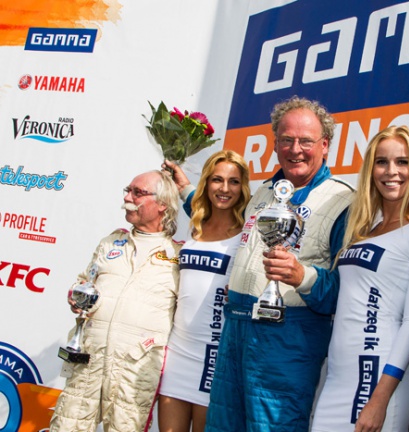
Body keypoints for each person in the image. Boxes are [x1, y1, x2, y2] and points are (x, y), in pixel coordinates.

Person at [165, 96, 355, 431]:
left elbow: (348, 290)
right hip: (234, 331)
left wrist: (303, 276)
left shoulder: (344, 201)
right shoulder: (265, 191)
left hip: (287, 337)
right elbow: (217, 216)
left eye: (306, 141)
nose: (295, 149)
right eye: (286, 140)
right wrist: (185, 190)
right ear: (275, 143)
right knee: (223, 425)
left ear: (325, 145)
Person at [311, 126, 409, 432]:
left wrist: (379, 399)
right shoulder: (363, 231)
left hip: (377, 380)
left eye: (402, 162)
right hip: (336, 380)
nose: (391, 171)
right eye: (381, 162)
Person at [50, 170, 182, 431]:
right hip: (89, 358)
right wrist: (77, 296)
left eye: (137, 192)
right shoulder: (111, 242)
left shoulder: (179, 256)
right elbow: (84, 281)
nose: (127, 197)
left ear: (162, 204)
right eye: (127, 190)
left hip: (136, 367)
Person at [158, 150, 251, 432]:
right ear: (206, 183)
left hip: (215, 357)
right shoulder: (196, 222)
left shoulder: (248, 230)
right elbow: (192, 200)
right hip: (177, 354)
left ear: (243, 187)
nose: (224, 189)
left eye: (234, 182)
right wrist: (183, 183)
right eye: (216, 180)